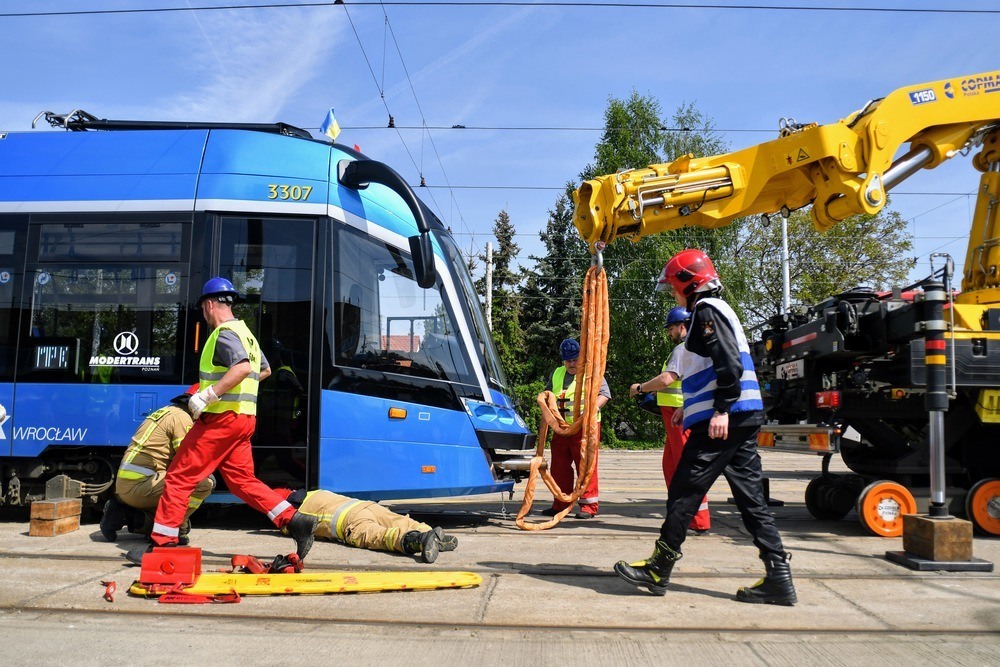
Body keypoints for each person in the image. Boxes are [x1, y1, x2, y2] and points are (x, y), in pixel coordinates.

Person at [614, 249, 796, 605]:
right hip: (742, 416)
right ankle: (779, 577)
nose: (671, 292)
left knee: (684, 490)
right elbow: (709, 369)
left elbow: (728, 362)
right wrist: (692, 409)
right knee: (751, 500)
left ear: (688, 282)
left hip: (728, 418)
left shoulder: (707, 310)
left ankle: (658, 568)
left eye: (673, 286)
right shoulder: (712, 311)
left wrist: (720, 410)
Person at [127, 277, 317, 564]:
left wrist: (208, 396)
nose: (204, 314)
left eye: (203, 308)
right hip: (243, 420)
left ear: (209, 304)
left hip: (221, 420)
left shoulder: (224, 333)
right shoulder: (245, 333)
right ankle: (294, 520)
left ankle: (163, 547)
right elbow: (262, 370)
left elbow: (241, 368)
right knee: (242, 482)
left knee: (179, 476)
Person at [628, 307, 711, 535]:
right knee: (671, 467)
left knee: (688, 468)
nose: (669, 333)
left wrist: (641, 388)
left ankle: (698, 519)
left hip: (680, 417)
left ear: (682, 326)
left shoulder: (682, 349)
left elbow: (666, 380)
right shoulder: (695, 348)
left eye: (671, 328)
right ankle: (680, 513)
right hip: (676, 416)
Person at [100, 385, 214, 543]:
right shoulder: (182, 418)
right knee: (205, 483)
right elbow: (189, 460)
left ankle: (120, 512)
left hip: (129, 486)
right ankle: (172, 528)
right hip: (140, 486)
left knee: (172, 497)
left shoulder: (167, 411)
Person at [277, 488, 459, 563]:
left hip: (349, 522)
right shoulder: (316, 492)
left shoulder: (292, 513)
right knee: (400, 520)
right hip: (364, 505)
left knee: (382, 537)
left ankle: (419, 540)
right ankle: (431, 533)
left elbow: (296, 526)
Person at [541, 338, 611, 519]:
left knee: (586, 466)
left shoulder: (592, 372)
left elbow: (605, 394)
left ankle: (588, 506)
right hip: (561, 428)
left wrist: (592, 409)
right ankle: (561, 503)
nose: (572, 364)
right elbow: (548, 394)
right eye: (568, 361)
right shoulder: (557, 373)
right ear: (563, 360)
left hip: (585, 428)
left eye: (575, 359)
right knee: (559, 465)